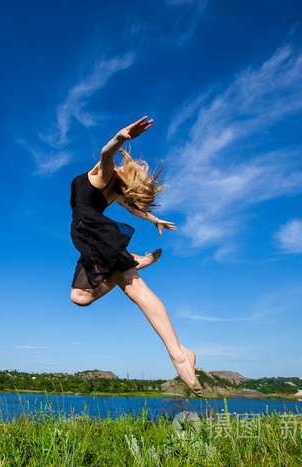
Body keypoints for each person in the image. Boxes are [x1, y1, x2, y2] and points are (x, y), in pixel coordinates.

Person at [69, 116, 202, 397]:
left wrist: (121, 137)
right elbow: (132, 209)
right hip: (90, 238)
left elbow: (106, 153)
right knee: (80, 297)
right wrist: (155, 219)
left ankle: (180, 355)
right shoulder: (114, 188)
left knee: (137, 291)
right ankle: (133, 259)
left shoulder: (104, 175)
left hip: (95, 233)